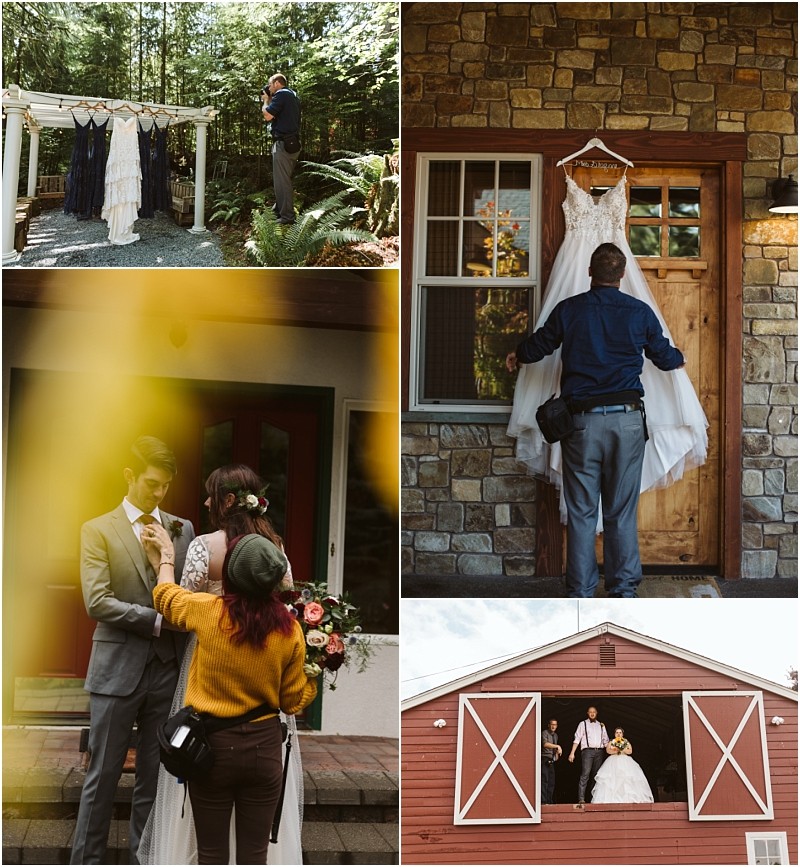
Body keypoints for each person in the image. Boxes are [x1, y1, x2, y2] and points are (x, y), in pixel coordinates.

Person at [138, 464, 304, 865]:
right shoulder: (291, 630)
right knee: (255, 855)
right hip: (265, 745)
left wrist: (163, 557)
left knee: (210, 853)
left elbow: (167, 598)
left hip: (213, 731)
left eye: (212, 495)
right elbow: (294, 700)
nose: (207, 502)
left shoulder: (207, 609)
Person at [506, 242, 688, 598]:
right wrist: (679, 358)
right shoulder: (640, 312)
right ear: (621, 275)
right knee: (621, 511)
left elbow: (539, 345)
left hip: (582, 425)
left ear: (591, 272)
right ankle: (622, 591)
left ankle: (581, 592)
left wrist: (518, 354)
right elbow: (665, 358)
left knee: (582, 512)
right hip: (628, 423)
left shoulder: (569, 310)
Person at [70, 436, 195, 864]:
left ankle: (148, 860)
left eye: (165, 486)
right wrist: (157, 620)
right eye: (151, 484)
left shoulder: (183, 529)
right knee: (101, 776)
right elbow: (97, 601)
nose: (158, 493)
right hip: (116, 670)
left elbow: (186, 594)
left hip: (168, 671)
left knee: (155, 779)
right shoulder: (97, 529)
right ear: (130, 475)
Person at [261, 73, 301, 225]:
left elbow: (268, 115)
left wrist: (265, 101)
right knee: (283, 180)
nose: (269, 88)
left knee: (282, 182)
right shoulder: (292, 95)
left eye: (270, 85)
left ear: (277, 83)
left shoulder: (282, 94)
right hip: (292, 143)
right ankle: (279, 210)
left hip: (284, 145)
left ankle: (287, 217)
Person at [592, 727, 654, 804]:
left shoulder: (626, 742)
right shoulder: (611, 742)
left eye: (620, 732)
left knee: (626, 778)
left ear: (622, 734)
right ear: (615, 734)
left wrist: (622, 749)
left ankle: (627, 798)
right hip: (613, 761)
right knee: (613, 779)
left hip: (625, 760)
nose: (618, 734)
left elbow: (630, 751)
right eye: (617, 732)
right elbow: (608, 751)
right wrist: (616, 750)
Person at [567, 705, 609, 804]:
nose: (592, 713)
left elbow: (606, 741)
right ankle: (581, 799)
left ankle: (594, 799)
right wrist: (572, 753)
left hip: (599, 752)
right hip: (587, 752)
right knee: (585, 775)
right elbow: (577, 738)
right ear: (587, 713)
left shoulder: (601, 725)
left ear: (597, 713)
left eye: (594, 711)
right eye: (590, 712)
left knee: (597, 776)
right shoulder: (583, 724)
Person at [541, 718, 561, 805]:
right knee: (544, 780)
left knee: (551, 781)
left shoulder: (555, 736)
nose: (553, 726)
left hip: (551, 760)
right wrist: (557, 746)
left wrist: (556, 754)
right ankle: (543, 801)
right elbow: (545, 744)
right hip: (544, 759)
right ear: (549, 725)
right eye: (552, 724)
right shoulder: (545, 733)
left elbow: (554, 749)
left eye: (555, 725)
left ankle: (549, 800)